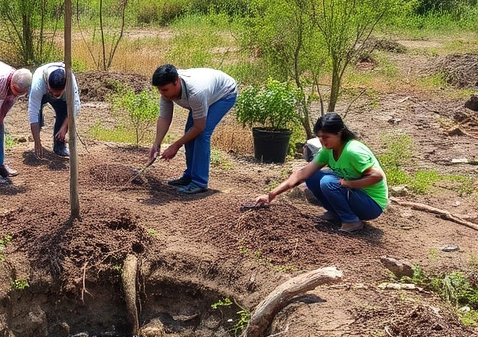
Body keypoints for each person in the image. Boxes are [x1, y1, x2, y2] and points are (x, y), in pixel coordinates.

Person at [254, 113, 387, 233]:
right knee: (313, 176)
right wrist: (271, 194)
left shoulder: (353, 151)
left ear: (339, 133)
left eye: (326, 137)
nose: (322, 141)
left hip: (371, 203)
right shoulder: (328, 150)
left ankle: (351, 221)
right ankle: (335, 213)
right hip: (354, 195)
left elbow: (377, 176)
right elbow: (302, 173)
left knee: (328, 182)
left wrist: (349, 183)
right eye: (319, 138)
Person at [148, 64, 238, 194]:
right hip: (208, 92)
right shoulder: (166, 92)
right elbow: (165, 118)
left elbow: (199, 127)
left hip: (224, 93)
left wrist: (175, 145)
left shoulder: (197, 92)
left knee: (201, 134)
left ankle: (199, 182)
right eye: (160, 90)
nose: (162, 93)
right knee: (190, 133)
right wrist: (157, 143)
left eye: (165, 90)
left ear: (176, 82)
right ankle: (189, 176)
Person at [28, 62, 81, 158]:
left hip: (62, 100)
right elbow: (33, 112)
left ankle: (59, 147)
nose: (53, 95)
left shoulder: (70, 84)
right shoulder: (38, 84)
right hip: (42, 95)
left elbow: (75, 106)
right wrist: (37, 142)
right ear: (47, 83)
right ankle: (37, 141)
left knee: (64, 112)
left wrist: (64, 127)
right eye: (51, 91)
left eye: (56, 94)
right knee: (37, 117)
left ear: (65, 87)